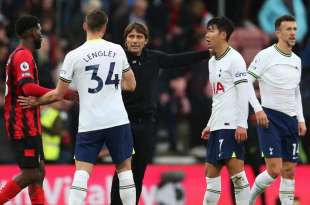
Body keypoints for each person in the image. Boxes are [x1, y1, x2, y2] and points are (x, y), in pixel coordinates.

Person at [19, 10, 137, 205]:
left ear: (84, 26)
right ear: (105, 27)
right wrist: (112, 86)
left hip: (90, 123)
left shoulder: (73, 55)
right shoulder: (117, 50)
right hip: (117, 120)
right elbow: (131, 85)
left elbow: (58, 94)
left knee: (81, 174)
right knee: (125, 170)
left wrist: (37, 102)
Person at [110, 22, 210, 205]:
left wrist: (209, 53)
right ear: (125, 40)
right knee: (122, 172)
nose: (135, 40)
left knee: (138, 171)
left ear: (146, 40)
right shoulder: (117, 59)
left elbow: (179, 59)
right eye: (131, 36)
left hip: (147, 123)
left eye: (139, 37)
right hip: (122, 122)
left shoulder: (154, 58)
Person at [248, 15, 307, 205]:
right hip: (270, 118)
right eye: (288, 29)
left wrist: (301, 119)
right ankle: (246, 200)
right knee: (274, 170)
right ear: (278, 32)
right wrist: (258, 109)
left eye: (294, 29)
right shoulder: (265, 56)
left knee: (289, 170)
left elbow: (295, 91)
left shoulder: (297, 60)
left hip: (291, 120)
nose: (292, 33)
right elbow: (246, 83)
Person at [201, 17, 250, 205]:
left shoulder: (235, 59)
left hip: (232, 125)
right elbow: (218, 97)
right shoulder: (212, 62)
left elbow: (243, 93)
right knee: (210, 175)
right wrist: (210, 123)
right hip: (217, 125)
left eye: (211, 30)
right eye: (207, 30)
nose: (207, 35)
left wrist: (241, 124)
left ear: (223, 35)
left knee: (237, 175)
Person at [0, 15, 48, 205]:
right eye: (39, 30)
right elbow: (28, 88)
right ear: (30, 32)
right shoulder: (22, 56)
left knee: (39, 171)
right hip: (22, 124)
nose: (41, 35)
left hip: (31, 125)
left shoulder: (23, 55)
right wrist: (61, 93)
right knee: (32, 172)